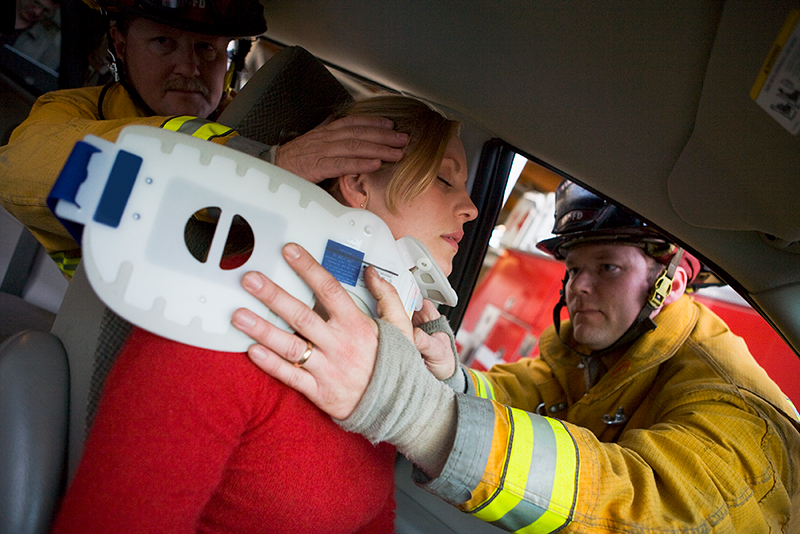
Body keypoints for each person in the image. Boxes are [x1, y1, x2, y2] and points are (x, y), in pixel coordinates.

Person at [233, 179, 800, 533]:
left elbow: (646, 505)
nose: (578, 286)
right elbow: (518, 394)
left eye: (607, 267)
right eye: (574, 269)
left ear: (672, 282)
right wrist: (447, 376)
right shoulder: (587, 357)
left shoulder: (737, 411)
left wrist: (418, 413)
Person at [51, 95, 479, 534]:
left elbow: (374, 519)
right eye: (445, 180)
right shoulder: (218, 327)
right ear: (358, 182)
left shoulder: (379, 371)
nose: (472, 209)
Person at [0, 0, 409, 278]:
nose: (190, 66)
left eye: (208, 49)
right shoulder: (72, 111)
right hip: (110, 329)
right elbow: (20, 168)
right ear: (121, 45)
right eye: (164, 42)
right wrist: (258, 168)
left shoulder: (277, 134)